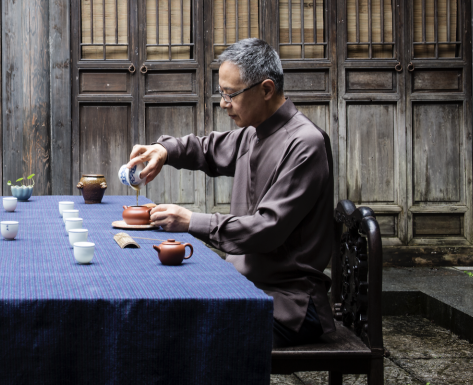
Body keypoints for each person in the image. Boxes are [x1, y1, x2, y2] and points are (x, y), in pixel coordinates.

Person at [127, 38, 335, 347]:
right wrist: (163, 149)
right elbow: (207, 149)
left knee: (184, 333)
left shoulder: (305, 144)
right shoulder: (254, 131)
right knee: (160, 301)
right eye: (221, 93)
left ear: (266, 89)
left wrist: (190, 221)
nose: (224, 104)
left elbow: (267, 229)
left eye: (230, 94)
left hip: (287, 304)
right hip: (244, 285)